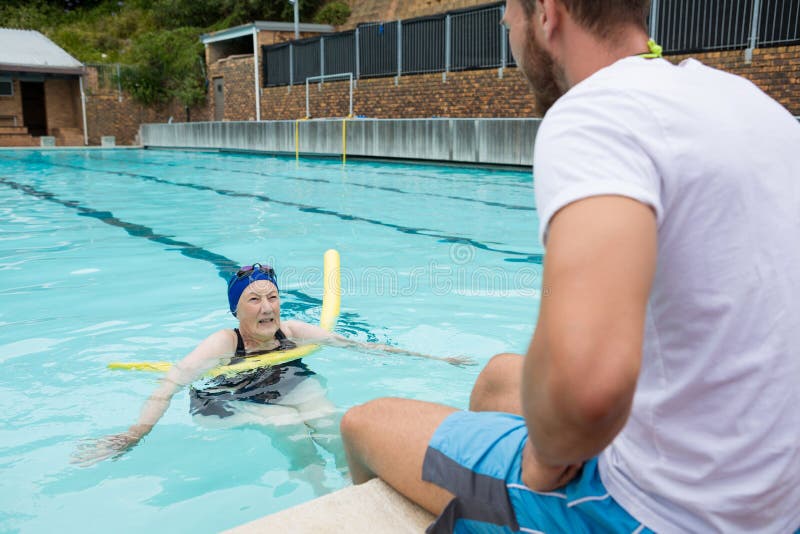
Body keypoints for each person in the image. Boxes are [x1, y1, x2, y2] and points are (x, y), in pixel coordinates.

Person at [340, 0, 800, 532]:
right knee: (494, 380)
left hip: (655, 512)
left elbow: (588, 391)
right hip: (772, 496)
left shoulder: (595, 113)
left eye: (509, 13)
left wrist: (542, 459)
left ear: (548, 14)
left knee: (364, 423)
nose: (506, 27)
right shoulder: (748, 101)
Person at [73, 263, 474, 470]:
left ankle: (351, 482)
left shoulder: (292, 331)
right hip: (228, 397)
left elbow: (359, 346)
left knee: (329, 421)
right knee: (289, 428)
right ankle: (317, 490)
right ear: (236, 308)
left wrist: (437, 359)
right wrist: (133, 435)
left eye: (273, 297)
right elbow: (170, 383)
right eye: (253, 299)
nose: (267, 307)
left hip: (284, 377)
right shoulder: (222, 343)